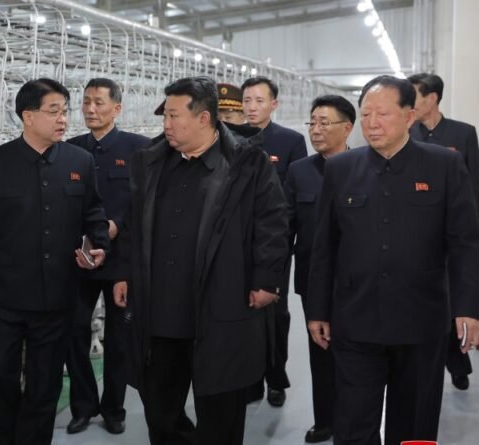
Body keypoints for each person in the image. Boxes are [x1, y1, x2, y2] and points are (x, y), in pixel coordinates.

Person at [306, 75, 479, 445]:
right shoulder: (341, 168)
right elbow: (324, 246)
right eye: (366, 114)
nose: (372, 123)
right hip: (355, 320)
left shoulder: (444, 165)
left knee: (415, 424)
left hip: (421, 320)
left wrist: (468, 307)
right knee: (353, 423)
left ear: (409, 116)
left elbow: (465, 242)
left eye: (383, 114)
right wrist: (318, 310)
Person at [114, 76, 289, 444]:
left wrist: (266, 280)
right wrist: (124, 272)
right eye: (165, 116)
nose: (166, 124)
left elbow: (272, 223)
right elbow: (133, 223)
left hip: (220, 303)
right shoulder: (151, 162)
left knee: (221, 408)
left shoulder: (246, 163)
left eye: (174, 116)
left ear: (204, 118)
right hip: (160, 310)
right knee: (159, 408)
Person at [0, 78, 110, 445]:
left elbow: (94, 213)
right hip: (3, 297)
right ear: (28, 116)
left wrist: (98, 246)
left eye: (65, 111)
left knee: (45, 382)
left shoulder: (79, 162)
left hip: (56, 296)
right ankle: (6, 432)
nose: (63, 119)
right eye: (54, 111)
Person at [64, 78, 150, 435]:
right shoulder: (69, 149)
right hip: (80, 260)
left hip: (120, 262)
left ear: (117, 108)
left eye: (99, 102)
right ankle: (83, 406)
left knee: (118, 339)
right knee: (74, 333)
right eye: (86, 101)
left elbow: (144, 205)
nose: (91, 109)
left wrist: (118, 228)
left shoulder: (139, 149)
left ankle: (114, 408)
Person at [284, 94, 355, 443]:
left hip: (357, 281)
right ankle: (325, 420)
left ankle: (353, 421)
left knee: (356, 354)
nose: (315, 130)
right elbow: (284, 227)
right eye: (312, 123)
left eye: (324, 123)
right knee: (321, 351)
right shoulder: (300, 171)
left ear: (347, 127)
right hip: (314, 280)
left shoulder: (364, 166)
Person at [408, 72, 479, 391]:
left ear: (432, 98)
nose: (408, 103)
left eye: (413, 96)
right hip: (415, 236)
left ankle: (457, 363)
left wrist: (473, 231)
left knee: (452, 302)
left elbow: (473, 188)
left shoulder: (462, 134)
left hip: (451, 234)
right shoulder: (406, 134)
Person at [241, 75, 308, 407]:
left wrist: (285, 241)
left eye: (259, 100)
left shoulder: (290, 141)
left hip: (275, 242)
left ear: (274, 104)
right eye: (247, 101)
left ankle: (276, 378)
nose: (252, 107)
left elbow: (295, 196)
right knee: (245, 313)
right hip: (239, 242)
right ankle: (250, 379)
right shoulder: (231, 138)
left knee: (276, 314)